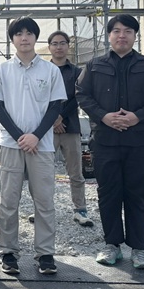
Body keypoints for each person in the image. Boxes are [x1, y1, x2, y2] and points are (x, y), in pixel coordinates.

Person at [76, 14, 144, 270]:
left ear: (135, 36)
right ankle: (112, 245)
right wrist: (104, 116)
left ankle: (139, 249)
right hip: (105, 141)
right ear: (109, 35)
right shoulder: (94, 66)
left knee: (139, 195)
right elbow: (82, 94)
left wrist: (137, 116)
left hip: (140, 142)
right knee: (108, 194)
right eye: (116, 30)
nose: (122, 35)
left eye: (128, 31)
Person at [0, 17, 66, 275]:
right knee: (9, 200)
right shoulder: (2, 70)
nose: (24, 38)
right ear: (12, 39)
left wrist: (35, 136)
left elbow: (55, 106)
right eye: (19, 33)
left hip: (42, 145)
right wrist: (21, 136)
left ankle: (45, 253)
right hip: (10, 145)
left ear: (35, 37)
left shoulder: (50, 70)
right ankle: (8, 252)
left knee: (44, 200)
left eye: (29, 33)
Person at [48, 31, 93, 227]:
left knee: (75, 172)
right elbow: (38, 98)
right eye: (55, 43)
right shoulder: (43, 70)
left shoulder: (76, 72)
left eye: (62, 43)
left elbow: (78, 97)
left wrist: (60, 117)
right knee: (43, 171)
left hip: (71, 126)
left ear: (68, 46)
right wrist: (52, 119)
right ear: (49, 47)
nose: (59, 47)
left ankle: (80, 209)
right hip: (46, 129)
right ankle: (43, 208)